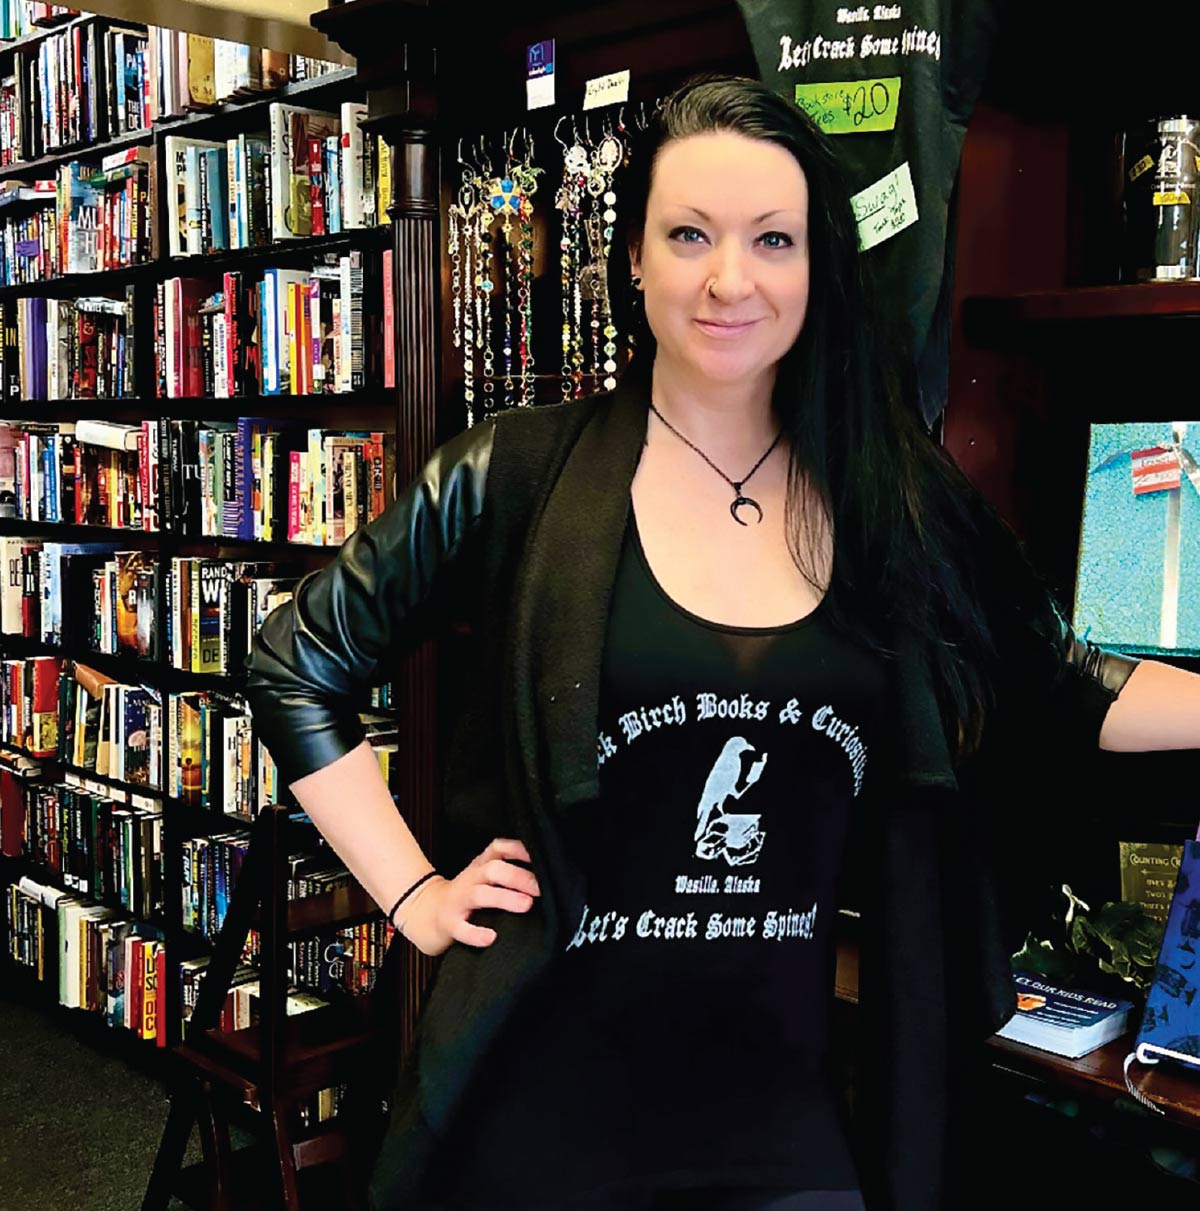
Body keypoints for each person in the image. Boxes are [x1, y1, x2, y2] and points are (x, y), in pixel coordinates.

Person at [242, 75, 1200, 1211]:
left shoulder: (889, 497)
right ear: (633, 259)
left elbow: (1065, 685)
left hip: (778, 1108)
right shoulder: (513, 471)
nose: (729, 278)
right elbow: (295, 662)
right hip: (540, 1102)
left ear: (818, 267)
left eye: (772, 239)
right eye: (688, 234)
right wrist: (413, 895)